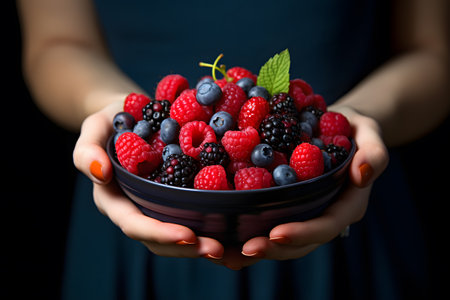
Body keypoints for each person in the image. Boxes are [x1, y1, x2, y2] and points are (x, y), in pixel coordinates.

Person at [17, 0, 448, 299]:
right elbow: (56, 44)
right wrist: (109, 109)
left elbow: (432, 56)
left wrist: (357, 116)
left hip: (339, 198)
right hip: (144, 202)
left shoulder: (291, 130)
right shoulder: (172, 139)